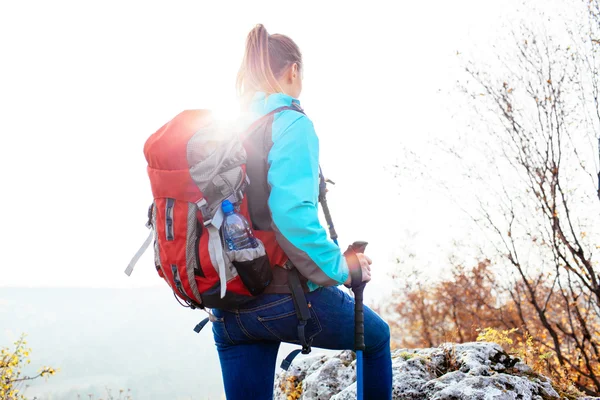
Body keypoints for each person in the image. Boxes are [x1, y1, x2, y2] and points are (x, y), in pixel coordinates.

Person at [211, 24, 393, 400]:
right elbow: (292, 213)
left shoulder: (224, 130)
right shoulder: (291, 123)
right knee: (376, 339)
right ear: (293, 71)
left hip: (227, 305)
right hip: (283, 297)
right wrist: (342, 268)